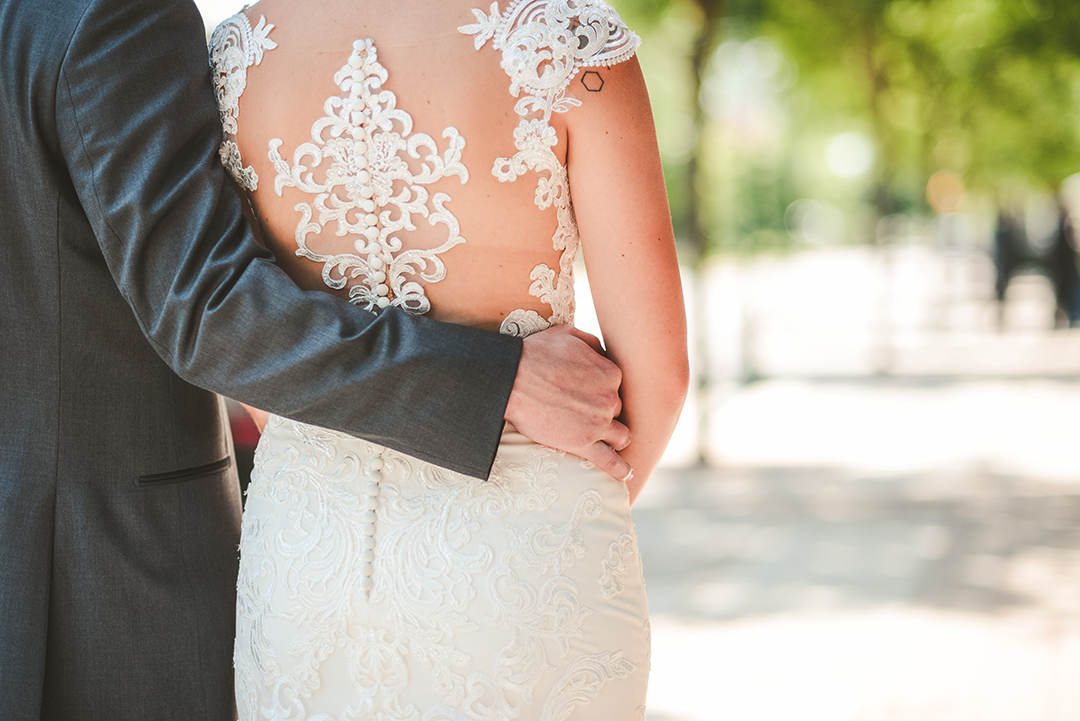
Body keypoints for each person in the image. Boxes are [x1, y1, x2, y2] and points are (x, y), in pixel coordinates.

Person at [0, 0, 636, 718]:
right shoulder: (113, 14)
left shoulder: (243, 51)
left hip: (301, 561)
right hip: (105, 572)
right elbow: (210, 311)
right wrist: (508, 396)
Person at [212, 0, 689, 717]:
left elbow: (257, 352)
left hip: (310, 554)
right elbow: (660, 368)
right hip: (529, 554)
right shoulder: (568, 41)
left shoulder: (233, 60)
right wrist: (576, 502)